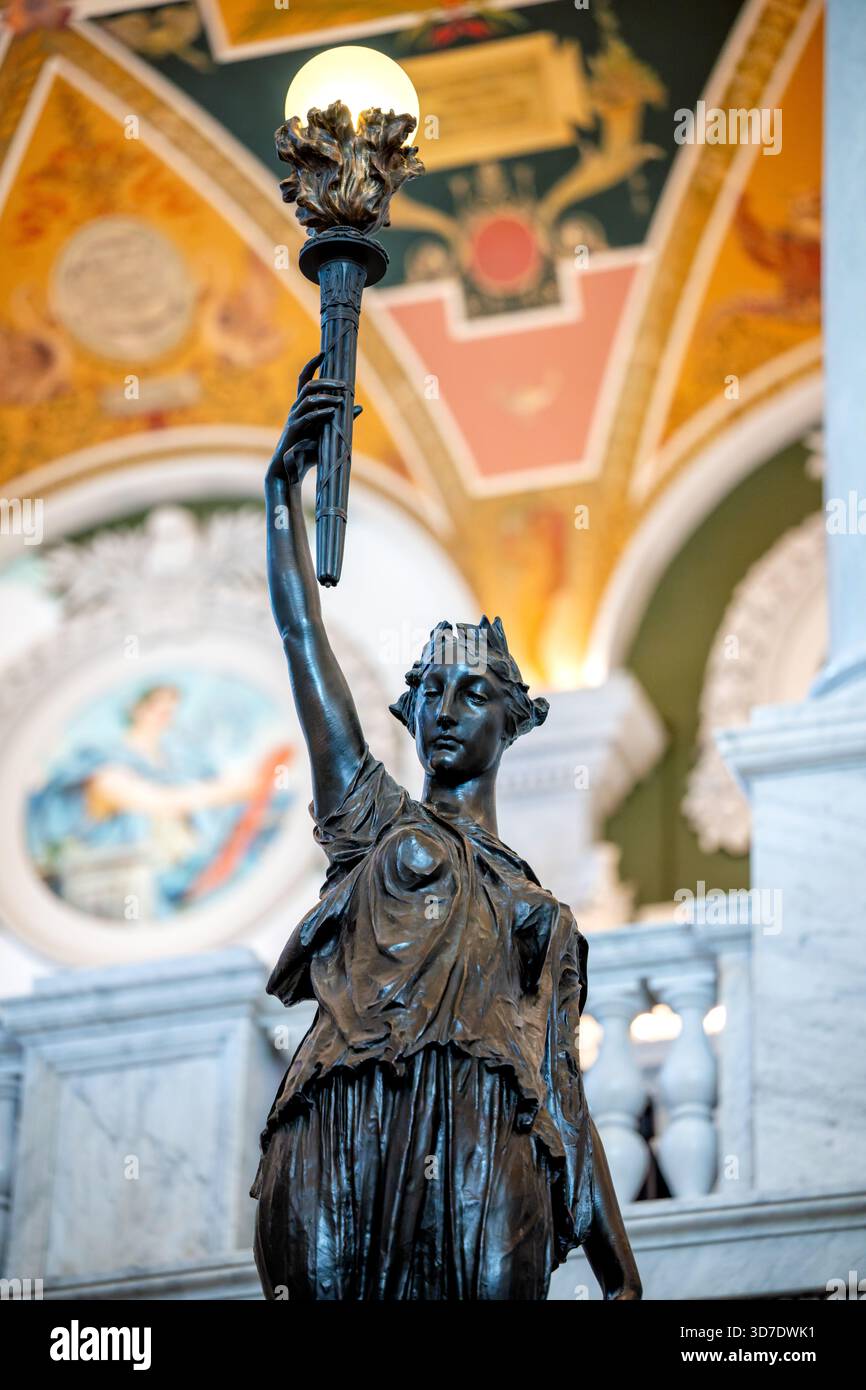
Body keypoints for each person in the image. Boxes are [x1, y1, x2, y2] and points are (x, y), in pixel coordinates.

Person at [251, 354, 642, 1301]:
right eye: (428, 694)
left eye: (473, 695)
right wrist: (280, 498)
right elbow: (307, 644)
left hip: (481, 1126)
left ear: (516, 719)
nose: (444, 711)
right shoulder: (371, 821)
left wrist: (620, 1275)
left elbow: (564, 1087)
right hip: (349, 1111)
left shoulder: (543, 915)